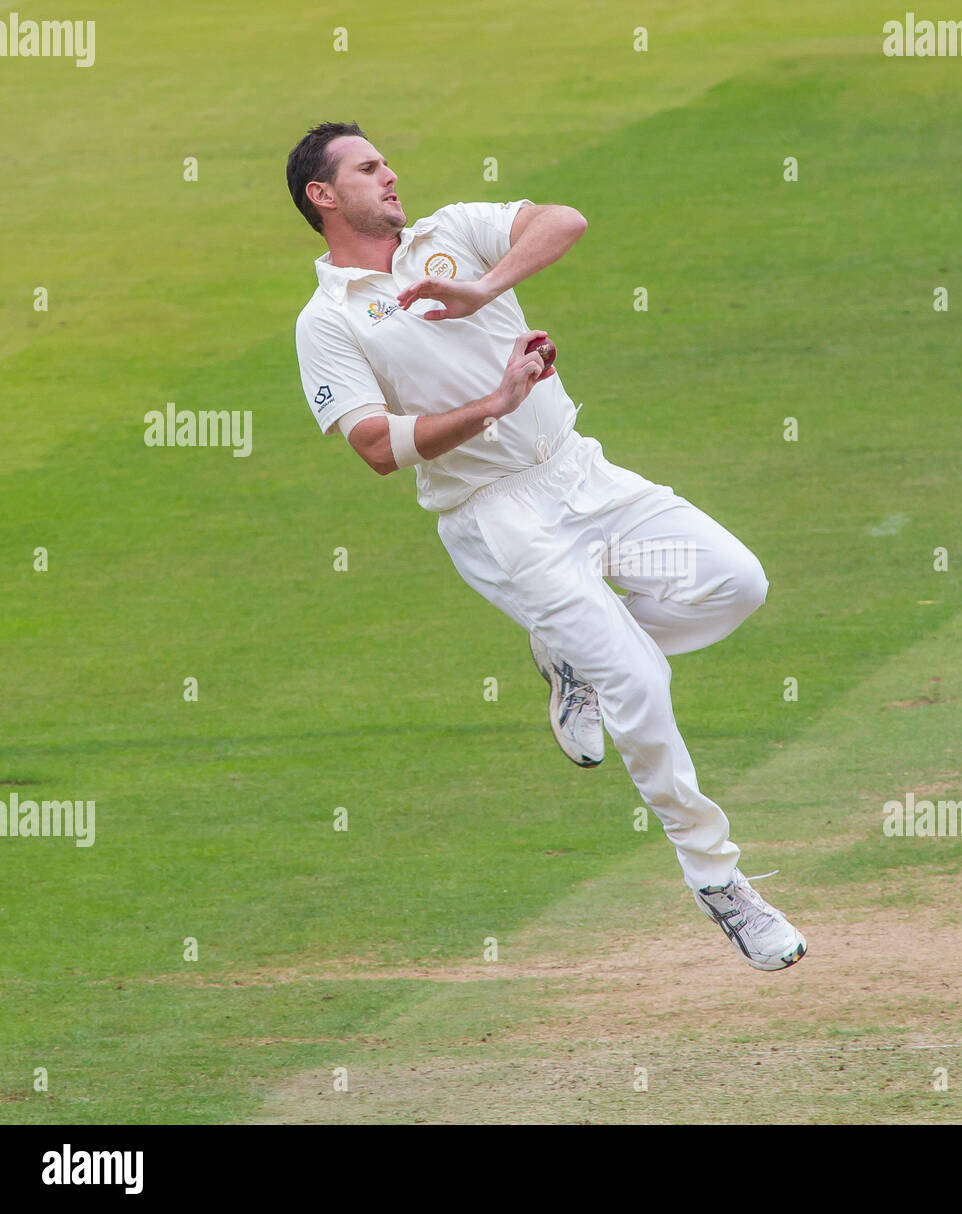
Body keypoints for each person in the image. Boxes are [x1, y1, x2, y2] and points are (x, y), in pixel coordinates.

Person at [286, 122, 805, 971]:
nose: (389, 175)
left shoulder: (449, 232)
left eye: (384, 162)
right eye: (367, 168)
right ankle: (722, 885)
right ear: (323, 195)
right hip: (503, 522)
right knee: (638, 677)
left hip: (584, 477)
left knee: (733, 583)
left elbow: (564, 220)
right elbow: (376, 447)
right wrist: (492, 405)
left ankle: (568, 663)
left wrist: (485, 291)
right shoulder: (327, 320)